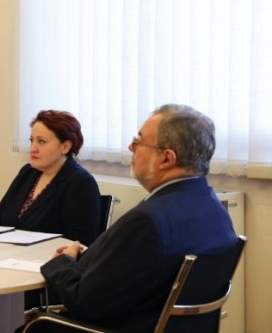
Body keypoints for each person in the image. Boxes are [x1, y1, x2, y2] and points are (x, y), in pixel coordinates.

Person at [35, 104, 237, 332]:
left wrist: (62, 263)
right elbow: (142, 268)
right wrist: (93, 257)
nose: (130, 147)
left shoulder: (148, 221)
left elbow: (85, 304)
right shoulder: (215, 209)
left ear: (166, 159)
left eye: (138, 141)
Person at [0, 110, 101, 246]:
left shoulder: (80, 182)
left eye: (41, 141)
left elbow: (80, 244)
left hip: (47, 258)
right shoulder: (27, 172)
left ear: (65, 147)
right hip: (7, 254)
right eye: (32, 140)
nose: (33, 148)